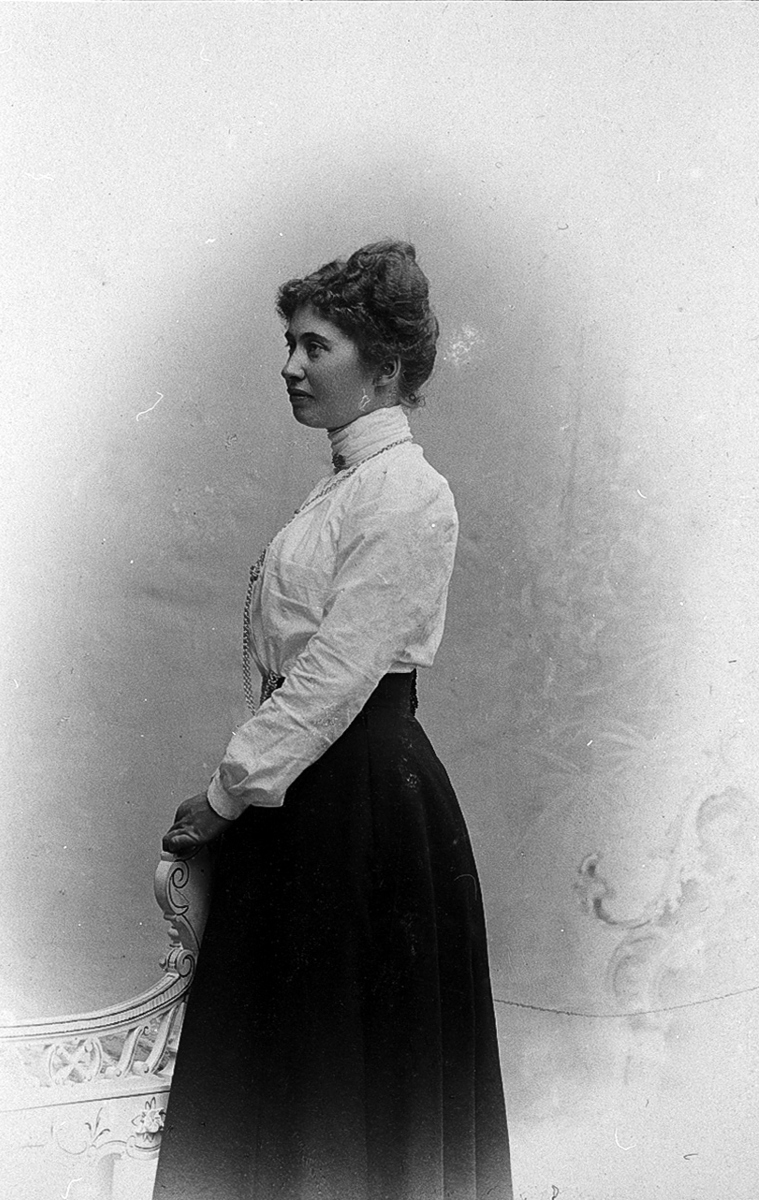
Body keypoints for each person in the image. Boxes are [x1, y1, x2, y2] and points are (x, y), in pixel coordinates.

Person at [153, 240, 513, 1200]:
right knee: (281, 1085)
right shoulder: (347, 486)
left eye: (316, 346)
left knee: (342, 1088)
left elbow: (334, 676)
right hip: (309, 793)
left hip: (360, 806)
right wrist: (248, 793)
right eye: (291, 344)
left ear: (384, 367)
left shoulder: (408, 494)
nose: (291, 366)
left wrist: (227, 793)